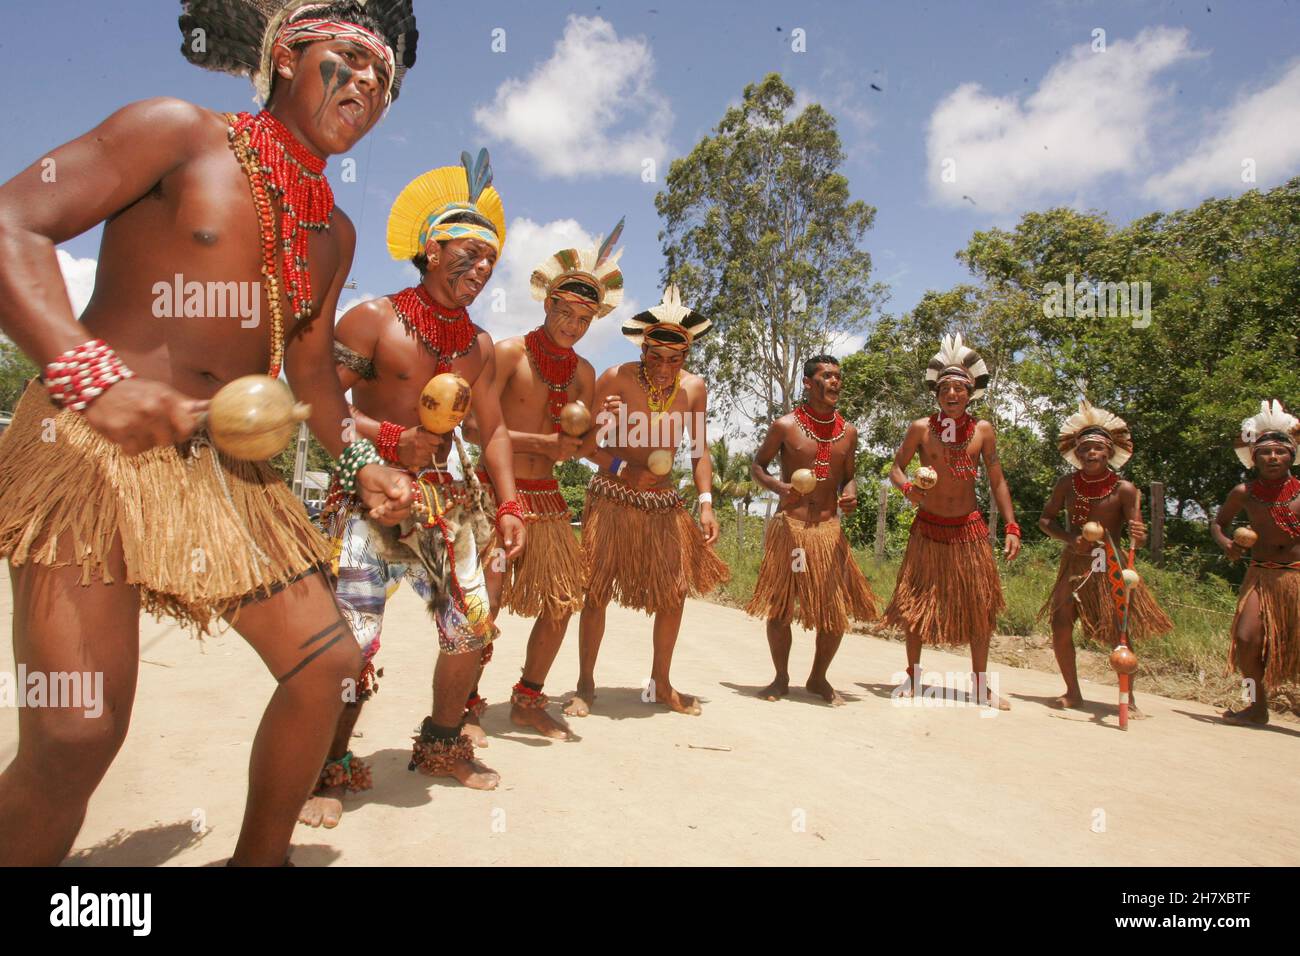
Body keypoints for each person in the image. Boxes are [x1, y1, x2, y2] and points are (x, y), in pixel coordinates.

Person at [0, 0, 419, 865]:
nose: (373, 82)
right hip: (90, 448)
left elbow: (309, 377)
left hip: (226, 476)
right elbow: (11, 224)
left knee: (329, 670)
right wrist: (92, 378)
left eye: (387, 76)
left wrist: (361, 462)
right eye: (352, 58)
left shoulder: (330, 234)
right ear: (289, 57)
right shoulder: (177, 132)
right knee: (77, 735)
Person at [299, 150, 527, 829]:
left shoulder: (480, 347)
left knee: (470, 628)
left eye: (489, 261)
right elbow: (313, 402)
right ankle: (329, 765)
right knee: (353, 641)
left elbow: (493, 433)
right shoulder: (371, 320)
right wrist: (386, 440)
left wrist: (510, 502)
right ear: (431, 250)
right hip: (368, 497)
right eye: (468, 254)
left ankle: (439, 742)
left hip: (445, 505)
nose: (481, 271)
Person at [461, 226, 625, 741]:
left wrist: (601, 429)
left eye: (584, 319)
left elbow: (577, 447)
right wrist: (542, 444)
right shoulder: (507, 353)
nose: (573, 325)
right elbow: (470, 426)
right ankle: (463, 707)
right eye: (566, 312)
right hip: (495, 495)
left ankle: (529, 699)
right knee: (484, 602)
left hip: (549, 500)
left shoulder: (584, 372)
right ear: (547, 302)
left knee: (561, 601)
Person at [565, 286, 728, 717]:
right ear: (643, 347)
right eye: (655, 356)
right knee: (595, 592)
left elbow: (699, 451)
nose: (663, 367)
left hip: (662, 504)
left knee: (673, 594)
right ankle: (585, 683)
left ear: (687, 356)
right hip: (612, 499)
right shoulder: (614, 377)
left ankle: (661, 683)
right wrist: (612, 438)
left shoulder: (693, 389)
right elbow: (584, 444)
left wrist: (706, 502)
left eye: (675, 359)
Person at [883, 333, 1020, 710]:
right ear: (937, 393)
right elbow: (896, 467)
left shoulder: (983, 431)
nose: (953, 394)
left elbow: (997, 479)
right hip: (927, 528)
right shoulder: (920, 429)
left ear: (971, 392)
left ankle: (980, 685)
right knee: (916, 603)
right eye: (946, 388)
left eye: (960, 388)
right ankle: (912, 677)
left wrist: (1011, 525)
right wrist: (907, 487)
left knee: (979, 606)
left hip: (969, 530)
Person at [747, 355, 878, 705]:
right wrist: (779, 487)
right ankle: (780, 678)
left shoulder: (848, 432)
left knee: (833, 612)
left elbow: (848, 476)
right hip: (791, 529)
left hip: (828, 531)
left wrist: (849, 494)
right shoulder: (785, 426)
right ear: (808, 383)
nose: (835, 382)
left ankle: (818, 678)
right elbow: (757, 466)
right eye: (827, 376)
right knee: (780, 608)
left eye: (838, 377)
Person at [1037, 400, 1170, 714]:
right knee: (1060, 622)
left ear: (1110, 453)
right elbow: (1045, 521)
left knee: (1117, 630)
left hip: (1111, 565)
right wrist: (1071, 538)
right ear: (1077, 454)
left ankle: (1128, 694)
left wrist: (1139, 534)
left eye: (1097, 448)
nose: (1090, 454)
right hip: (1076, 563)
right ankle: (1072, 691)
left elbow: (1137, 531)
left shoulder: (1125, 489)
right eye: (1084, 449)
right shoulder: (1067, 484)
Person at [1211, 400, 1300, 727]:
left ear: (1292, 455)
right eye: (1265, 452)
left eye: (1280, 452)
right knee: (1247, 640)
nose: (1273, 458)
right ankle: (1255, 705)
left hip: (1297, 579)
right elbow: (1218, 524)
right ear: (1253, 457)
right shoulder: (1244, 492)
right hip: (1260, 577)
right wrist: (1229, 545)